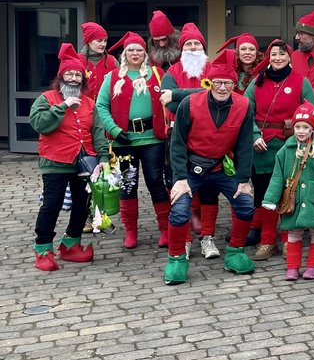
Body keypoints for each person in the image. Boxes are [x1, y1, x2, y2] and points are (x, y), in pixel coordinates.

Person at [164, 50, 256, 285]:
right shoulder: (189, 103)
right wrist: (179, 179)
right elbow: (177, 143)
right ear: (209, 83)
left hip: (221, 168)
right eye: (218, 82)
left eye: (228, 83)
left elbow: (244, 145)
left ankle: (235, 252)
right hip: (189, 168)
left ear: (234, 85)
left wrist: (243, 180)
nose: (223, 88)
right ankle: (176, 259)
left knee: (246, 205)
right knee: (180, 210)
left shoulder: (244, 105)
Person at [29, 44, 110, 271]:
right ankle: (43, 248)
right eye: (69, 74)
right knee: (52, 204)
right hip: (55, 161)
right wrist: (63, 106)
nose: (74, 78)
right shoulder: (47, 98)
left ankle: (71, 244)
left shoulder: (89, 103)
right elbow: (40, 124)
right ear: (61, 76)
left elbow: (98, 132)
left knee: (83, 204)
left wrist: (103, 157)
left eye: (78, 74)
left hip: (85, 163)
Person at [95, 32, 170, 249]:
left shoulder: (157, 74)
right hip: (124, 140)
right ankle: (131, 232)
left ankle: (165, 229)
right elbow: (101, 106)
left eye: (139, 50)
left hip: (152, 139)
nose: (135, 53)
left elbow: (169, 102)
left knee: (156, 182)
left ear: (145, 53)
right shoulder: (112, 77)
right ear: (125, 54)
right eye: (131, 50)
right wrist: (114, 129)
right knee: (128, 185)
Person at [244, 40, 314, 260]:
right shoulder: (257, 82)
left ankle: (287, 240)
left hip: (291, 145)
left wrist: (304, 139)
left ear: (289, 57)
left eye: (282, 54)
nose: (278, 58)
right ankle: (267, 241)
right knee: (265, 193)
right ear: (268, 57)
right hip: (262, 147)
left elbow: (311, 111)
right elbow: (245, 112)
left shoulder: (301, 82)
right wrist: (254, 135)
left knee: (289, 192)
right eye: (274, 54)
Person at [159, 22, 220, 258]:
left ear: (203, 47)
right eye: (188, 45)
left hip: (210, 136)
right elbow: (171, 106)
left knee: (209, 188)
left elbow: (219, 97)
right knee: (180, 187)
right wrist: (204, 96)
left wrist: (178, 94)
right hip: (179, 138)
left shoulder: (213, 69)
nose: (193, 48)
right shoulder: (171, 73)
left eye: (197, 44)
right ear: (181, 49)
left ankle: (207, 237)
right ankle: (183, 240)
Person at [261, 102, 314, 280]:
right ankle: (292, 267)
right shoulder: (285, 151)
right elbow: (277, 176)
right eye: (297, 127)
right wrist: (270, 199)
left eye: (305, 127)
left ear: (312, 129)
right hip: (293, 199)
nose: (301, 131)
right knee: (293, 232)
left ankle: (313, 266)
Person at [81, 22, 117, 101]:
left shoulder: (112, 61)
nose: (103, 44)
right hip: (82, 106)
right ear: (89, 41)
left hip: (107, 106)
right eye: (99, 41)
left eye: (105, 41)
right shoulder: (77, 60)